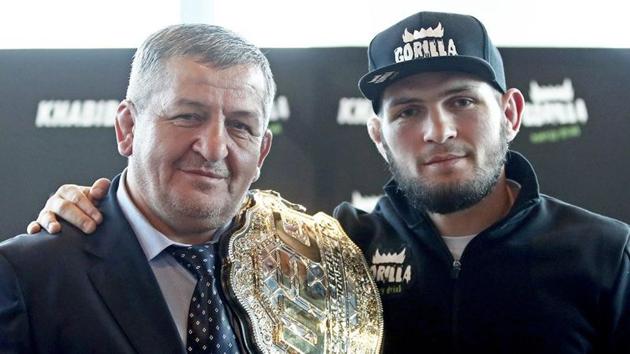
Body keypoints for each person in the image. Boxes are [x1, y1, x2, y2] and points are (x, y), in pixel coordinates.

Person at [24, 11, 630, 354]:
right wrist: (97, 203)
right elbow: (198, 206)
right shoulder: (335, 247)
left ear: (513, 113)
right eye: (407, 111)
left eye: (462, 101)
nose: (438, 130)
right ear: (377, 134)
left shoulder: (604, 254)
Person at [1, 24, 382, 353]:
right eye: (188, 116)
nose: (215, 147)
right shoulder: (28, 276)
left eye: (240, 126)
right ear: (128, 128)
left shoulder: (317, 267)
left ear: (262, 151)